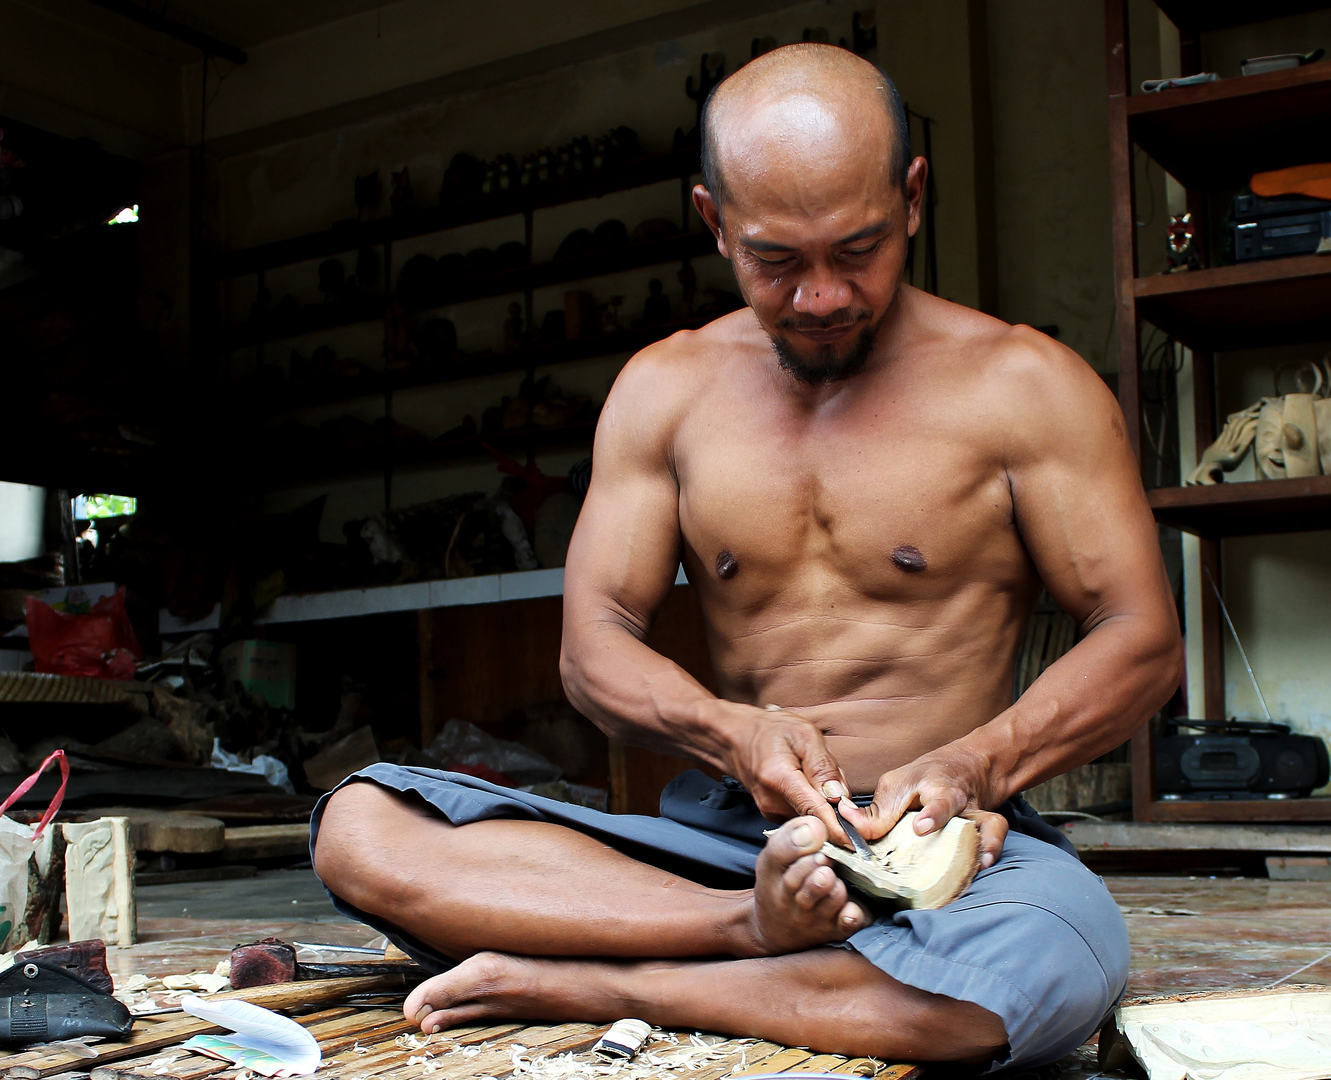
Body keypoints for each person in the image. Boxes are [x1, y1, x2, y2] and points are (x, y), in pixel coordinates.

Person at [309, 43, 1182, 1072]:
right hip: (732, 850)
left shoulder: (1027, 385)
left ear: (912, 198)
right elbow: (593, 646)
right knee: (359, 828)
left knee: (1050, 964)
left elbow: (1140, 638)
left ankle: (597, 980)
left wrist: (976, 764)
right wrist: (732, 736)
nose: (821, 296)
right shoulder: (665, 391)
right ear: (714, 221)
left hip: (952, 854)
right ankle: (753, 943)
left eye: (857, 249)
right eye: (777, 260)